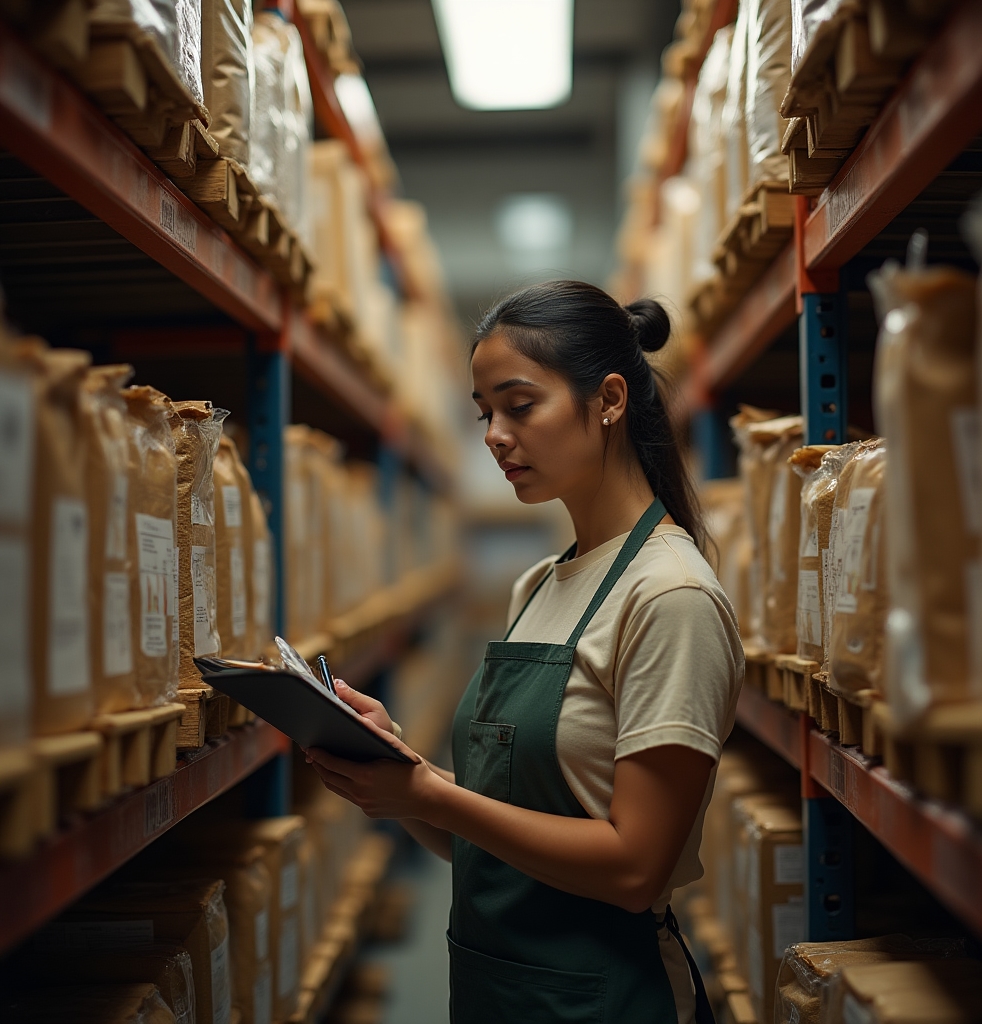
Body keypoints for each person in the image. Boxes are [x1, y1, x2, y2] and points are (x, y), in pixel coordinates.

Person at [306, 281, 744, 1024]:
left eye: (520, 405)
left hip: (607, 999)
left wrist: (431, 795)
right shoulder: (539, 585)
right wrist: (402, 772)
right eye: (484, 414)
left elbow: (635, 867)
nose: (494, 436)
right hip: (494, 993)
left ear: (608, 399)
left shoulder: (670, 597)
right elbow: (495, 845)